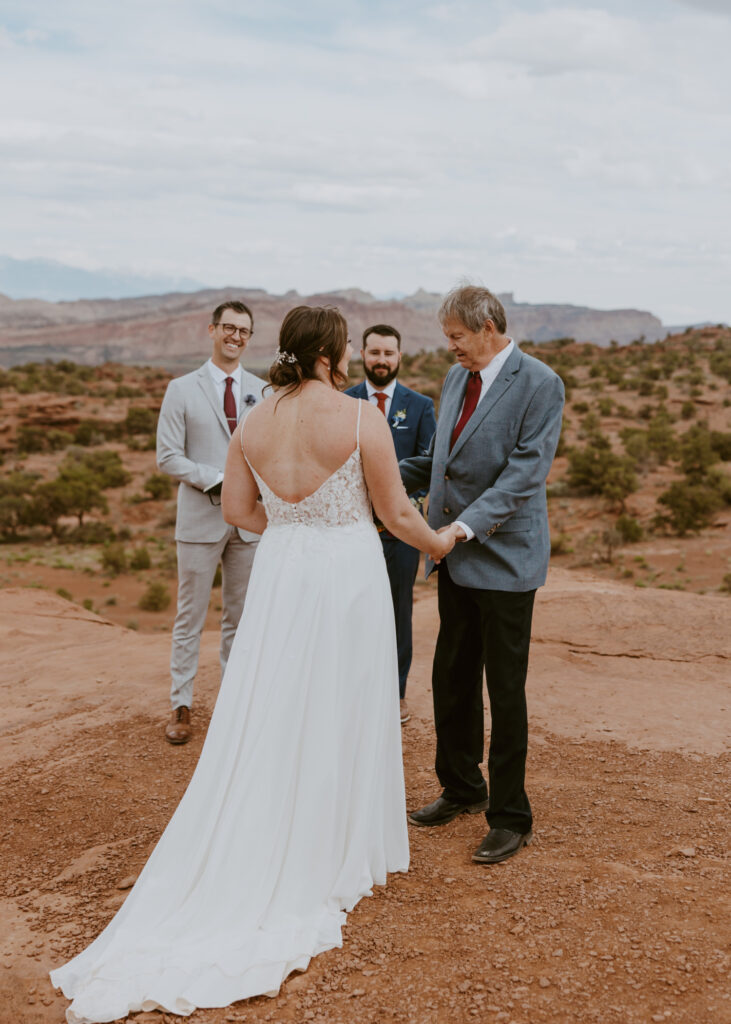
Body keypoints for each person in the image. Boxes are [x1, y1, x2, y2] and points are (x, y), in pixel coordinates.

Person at [50, 306, 454, 1023]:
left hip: (282, 573)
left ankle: (277, 820)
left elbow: (239, 512)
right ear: (333, 354)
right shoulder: (359, 418)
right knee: (346, 699)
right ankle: (336, 843)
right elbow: (395, 514)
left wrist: (296, 530)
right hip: (347, 574)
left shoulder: (254, 422)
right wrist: (439, 543)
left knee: (275, 701)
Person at [399, 284, 564, 865]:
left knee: (505, 690)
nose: (451, 349)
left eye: (457, 338)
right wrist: (379, 474)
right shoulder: (454, 380)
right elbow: (441, 463)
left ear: (489, 327)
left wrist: (459, 530)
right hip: (453, 559)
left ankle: (510, 816)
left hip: (505, 560)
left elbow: (524, 475)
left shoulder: (542, 383)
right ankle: (462, 789)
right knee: (452, 677)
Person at [156, 300, 265, 745]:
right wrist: (219, 481)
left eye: (244, 330)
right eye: (228, 328)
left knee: (240, 618)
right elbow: (168, 457)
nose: (235, 336)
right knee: (191, 617)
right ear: (212, 330)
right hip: (200, 520)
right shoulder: (181, 389)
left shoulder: (264, 391)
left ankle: (233, 707)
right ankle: (181, 704)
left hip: (248, 526)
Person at [345, 324, 436, 724]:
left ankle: (395, 693)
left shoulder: (420, 407)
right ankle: (353, 689)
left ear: (400, 357)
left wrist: (391, 499)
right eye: (374, 352)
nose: (381, 360)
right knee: (353, 609)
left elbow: (429, 466)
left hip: (402, 530)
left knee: (399, 610)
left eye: (388, 353)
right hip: (352, 528)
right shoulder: (342, 403)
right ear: (362, 355)